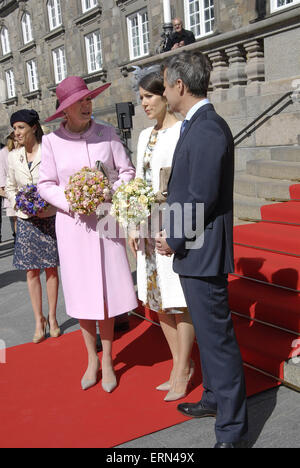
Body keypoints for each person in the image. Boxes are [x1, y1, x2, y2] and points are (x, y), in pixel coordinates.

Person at [155, 51, 248, 448]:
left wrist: (172, 237)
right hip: (196, 249)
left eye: (164, 83)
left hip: (201, 249)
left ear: (180, 85)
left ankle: (232, 432)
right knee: (210, 338)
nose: (162, 90)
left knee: (218, 341)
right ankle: (212, 398)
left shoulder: (208, 127)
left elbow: (201, 196)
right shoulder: (196, 124)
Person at [38, 76, 138, 393]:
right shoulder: (52, 142)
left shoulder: (107, 134)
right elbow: (46, 184)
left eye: (88, 99)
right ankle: (91, 359)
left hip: (106, 223)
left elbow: (127, 172)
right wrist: (73, 200)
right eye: (79, 101)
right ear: (65, 109)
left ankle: (108, 358)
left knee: (106, 293)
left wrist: (109, 191)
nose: (87, 104)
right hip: (73, 226)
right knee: (83, 295)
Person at [129, 70, 195, 402]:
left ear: (165, 95)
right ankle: (176, 366)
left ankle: (184, 368)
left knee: (178, 299)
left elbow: (187, 183)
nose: (144, 104)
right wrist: (131, 221)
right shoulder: (143, 136)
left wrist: (178, 227)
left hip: (174, 224)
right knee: (157, 301)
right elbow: (138, 183)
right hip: (146, 226)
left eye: (149, 97)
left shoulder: (184, 130)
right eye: (140, 98)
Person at [5, 110, 60, 344]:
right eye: (15, 128)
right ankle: (39, 320)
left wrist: (46, 203)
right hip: (26, 219)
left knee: (50, 269)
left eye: (21, 128)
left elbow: (58, 180)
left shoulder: (49, 151)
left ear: (33, 128)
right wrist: (20, 202)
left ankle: (53, 318)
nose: (16, 133)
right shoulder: (12, 156)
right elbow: (9, 186)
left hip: (48, 217)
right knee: (31, 271)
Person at [0, 132, 19, 243]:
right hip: (10, 191)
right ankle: (17, 240)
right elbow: (2, 174)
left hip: (26, 191)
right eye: (13, 137)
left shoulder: (27, 149)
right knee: (15, 219)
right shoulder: (4, 152)